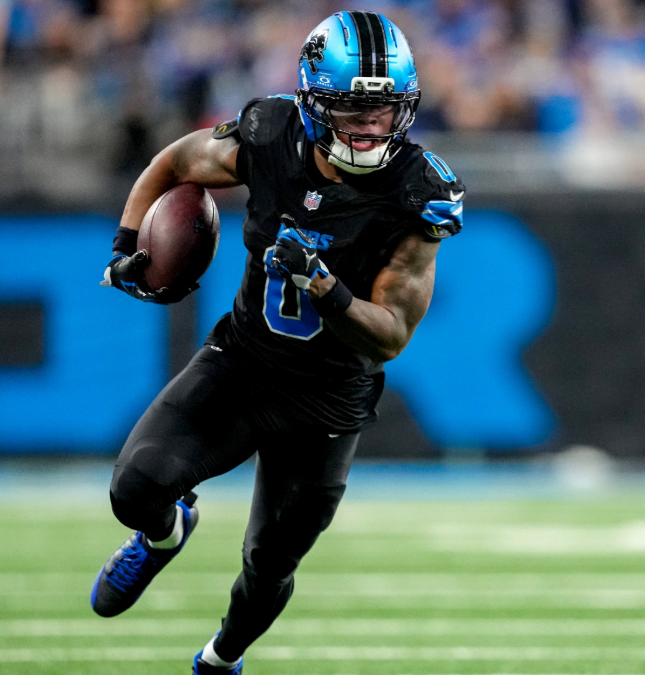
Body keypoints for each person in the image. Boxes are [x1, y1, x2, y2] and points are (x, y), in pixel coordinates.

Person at [90, 11, 464, 675]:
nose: (370, 126)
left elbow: (392, 337)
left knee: (268, 565)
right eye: (352, 107)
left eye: (383, 110)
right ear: (314, 100)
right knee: (134, 488)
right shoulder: (270, 132)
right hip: (243, 363)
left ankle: (219, 659)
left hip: (324, 402)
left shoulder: (418, 194)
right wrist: (128, 245)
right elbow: (173, 162)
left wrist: (326, 288)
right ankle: (165, 532)